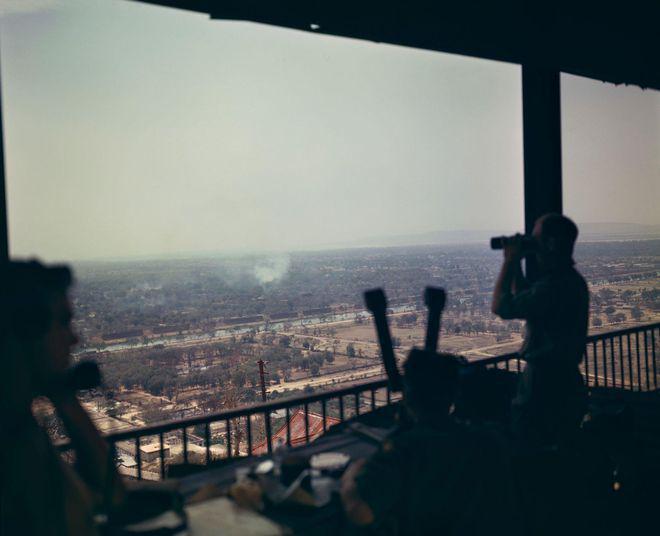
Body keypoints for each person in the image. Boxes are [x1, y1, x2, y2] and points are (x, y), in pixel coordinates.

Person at [0, 261, 125, 535]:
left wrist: (65, 396)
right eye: (63, 323)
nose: (73, 339)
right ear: (26, 333)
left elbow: (109, 497)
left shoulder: (21, 426)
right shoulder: (11, 445)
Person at [340, 349, 520, 535]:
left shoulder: (404, 451)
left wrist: (350, 476)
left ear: (409, 396)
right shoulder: (489, 440)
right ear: (454, 393)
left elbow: (360, 514)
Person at [491, 213, 589, 448]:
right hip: (565, 382)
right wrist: (517, 264)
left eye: (535, 239)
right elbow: (525, 298)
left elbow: (501, 307)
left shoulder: (554, 287)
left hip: (544, 385)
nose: (531, 243)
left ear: (550, 243)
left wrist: (509, 261)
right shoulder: (570, 281)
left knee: (532, 448)